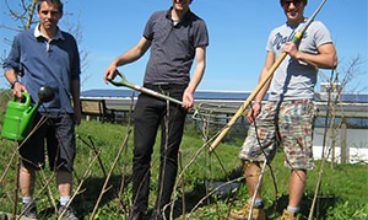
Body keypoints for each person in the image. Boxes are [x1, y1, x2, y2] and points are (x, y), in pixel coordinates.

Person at [230, 0, 337, 219]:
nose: (291, 6)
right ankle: (256, 208)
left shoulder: (315, 28)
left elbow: (332, 59)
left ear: (304, 3)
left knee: (297, 161)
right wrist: (258, 101)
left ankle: (291, 213)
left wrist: (299, 55)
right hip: (272, 102)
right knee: (250, 153)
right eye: (286, 2)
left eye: (295, 1)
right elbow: (267, 69)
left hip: (299, 103)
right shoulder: (275, 33)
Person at [104, 0, 208, 219]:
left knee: (168, 154)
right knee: (141, 152)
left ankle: (162, 209)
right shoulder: (155, 18)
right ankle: (138, 208)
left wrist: (190, 90)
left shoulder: (198, 25)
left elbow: (200, 63)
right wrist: (117, 62)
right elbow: (140, 49)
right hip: (149, 91)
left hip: (177, 92)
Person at [3, 0, 81, 219]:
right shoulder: (23, 39)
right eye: (45, 12)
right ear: (38, 13)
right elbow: (9, 66)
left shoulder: (69, 42)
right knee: (28, 161)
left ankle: (65, 206)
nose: (49, 16)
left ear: (61, 15)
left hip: (63, 111)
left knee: (64, 161)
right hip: (32, 111)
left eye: (54, 13)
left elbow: (75, 76)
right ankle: (28, 205)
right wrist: (15, 83)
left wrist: (77, 106)